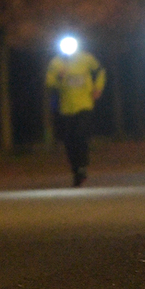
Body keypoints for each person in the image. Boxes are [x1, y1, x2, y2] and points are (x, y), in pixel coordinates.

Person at [45, 35, 106, 187]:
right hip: (66, 107)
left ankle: (83, 166)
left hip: (84, 104)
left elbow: (100, 71)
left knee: (80, 135)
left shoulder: (86, 58)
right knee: (69, 141)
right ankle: (76, 170)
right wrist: (59, 77)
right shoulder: (56, 62)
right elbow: (49, 82)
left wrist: (98, 88)